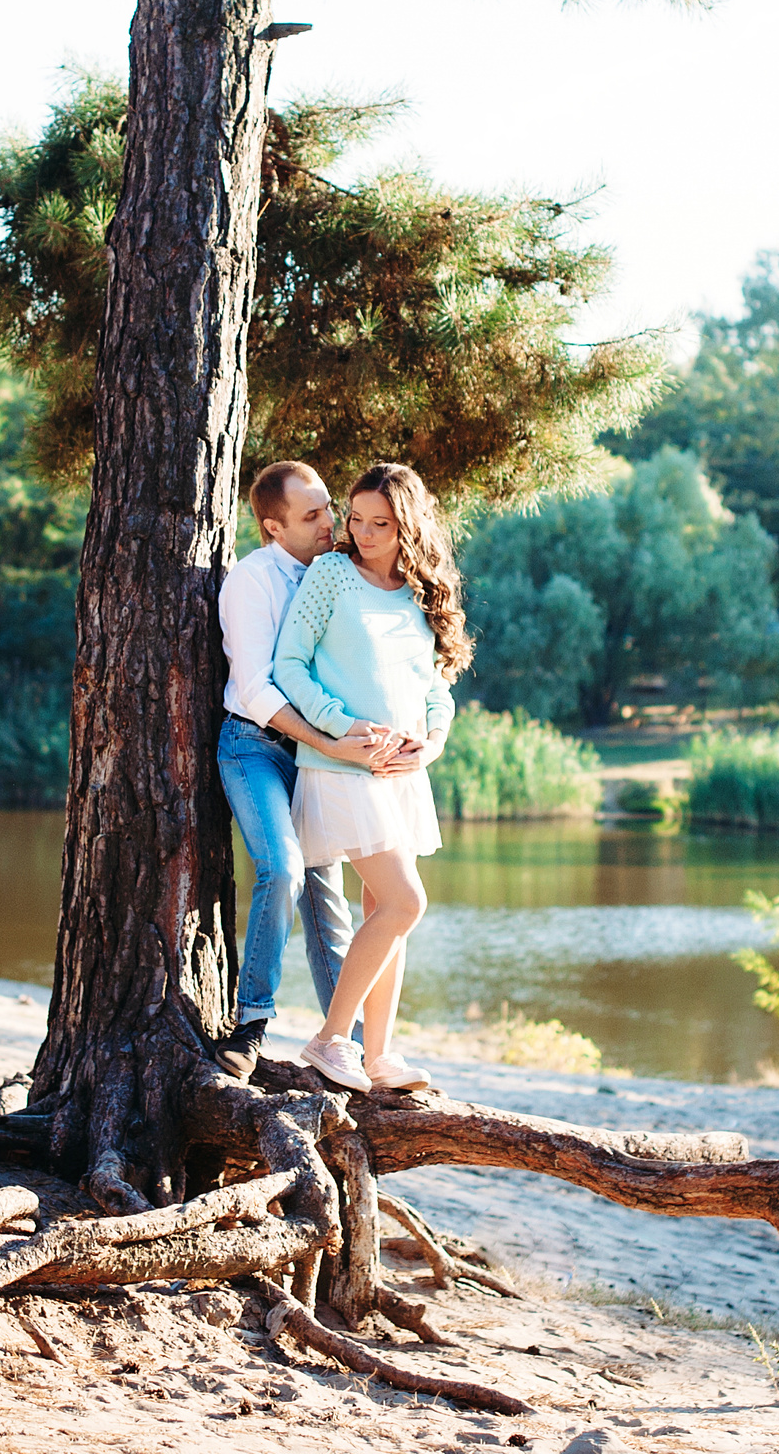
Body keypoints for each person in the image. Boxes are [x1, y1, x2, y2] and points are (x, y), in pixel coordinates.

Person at [272, 461, 472, 1092]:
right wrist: (341, 727)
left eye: (379, 524)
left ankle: (380, 1057)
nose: (360, 533)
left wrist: (432, 742)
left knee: (387, 907)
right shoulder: (332, 574)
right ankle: (332, 1039)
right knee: (408, 902)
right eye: (354, 519)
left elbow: (436, 686)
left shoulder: (420, 592)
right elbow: (290, 664)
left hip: (402, 776)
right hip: (342, 766)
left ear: (407, 526)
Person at [213, 460, 404, 1080]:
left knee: (331, 899)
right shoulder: (253, 581)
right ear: (273, 527)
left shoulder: (339, 575)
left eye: (329, 508)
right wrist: (335, 740)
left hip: (317, 754)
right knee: (284, 868)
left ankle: (340, 1043)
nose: (330, 524)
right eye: (312, 515)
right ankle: (253, 1022)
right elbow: (257, 686)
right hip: (254, 745)